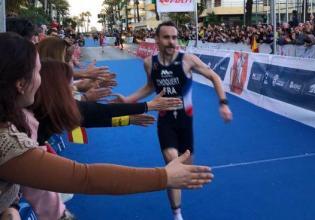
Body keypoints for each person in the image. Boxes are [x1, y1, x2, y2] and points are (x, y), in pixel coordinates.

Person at [0, 32, 213, 220]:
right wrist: (164, 176)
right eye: (38, 71)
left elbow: (90, 114)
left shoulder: (21, 118)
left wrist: (12, 205)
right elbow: (85, 177)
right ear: (19, 84)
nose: (41, 77)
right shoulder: (9, 141)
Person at [116, 21, 233, 220]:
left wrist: (223, 103)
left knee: (187, 167)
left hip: (186, 122)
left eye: (174, 37)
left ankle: (177, 196)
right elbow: (151, 86)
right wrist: (128, 100)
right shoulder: (149, 63)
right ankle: (177, 214)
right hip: (165, 121)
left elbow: (214, 76)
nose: (171, 42)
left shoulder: (188, 60)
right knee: (172, 164)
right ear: (157, 40)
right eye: (166, 37)